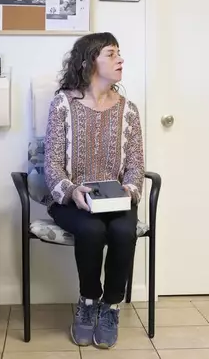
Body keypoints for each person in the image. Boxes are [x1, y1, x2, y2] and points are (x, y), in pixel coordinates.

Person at [44, 32, 144, 349]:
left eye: (119, 54)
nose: (120, 60)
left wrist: (128, 190)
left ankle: (111, 306)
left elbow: (136, 163)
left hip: (116, 200)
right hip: (72, 200)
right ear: (90, 61)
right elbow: (53, 162)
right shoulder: (63, 104)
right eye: (111, 54)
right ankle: (88, 301)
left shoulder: (129, 110)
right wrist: (72, 191)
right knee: (90, 231)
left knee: (122, 231)